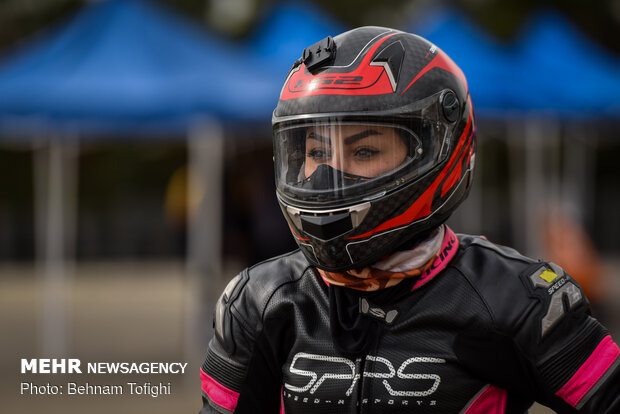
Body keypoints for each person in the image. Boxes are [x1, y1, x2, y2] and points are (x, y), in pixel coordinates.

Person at [199, 26, 620, 413]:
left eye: (364, 151)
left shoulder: (515, 300)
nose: (328, 175)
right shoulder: (261, 301)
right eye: (316, 152)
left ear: (438, 149)